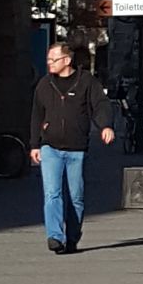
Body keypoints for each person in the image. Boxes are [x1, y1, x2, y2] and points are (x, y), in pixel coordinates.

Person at [30, 43, 116, 255]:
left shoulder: (86, 81)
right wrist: (34, 144)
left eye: (54, 60)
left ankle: (72, 237)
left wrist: (105, 125)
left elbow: (100, 104)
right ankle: (55, 236)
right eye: (48, 60)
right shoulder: (44, 84)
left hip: (77, 148)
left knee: (76, 196)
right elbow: (36, 115)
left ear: (67, 60)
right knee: (52, 193)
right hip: (50, 146)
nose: (49, 63)